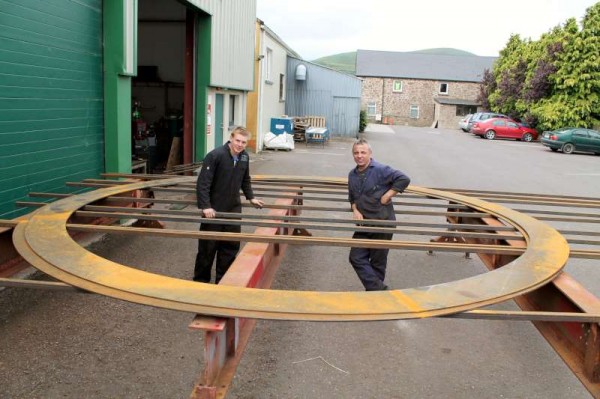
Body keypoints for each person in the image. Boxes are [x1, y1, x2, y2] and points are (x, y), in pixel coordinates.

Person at [194, 126, 264, 284]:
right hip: (214, 209)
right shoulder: (215, 156)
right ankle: (200, 283)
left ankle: (223, 282)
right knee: (207, 248)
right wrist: (205, 206)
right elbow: (203, 183)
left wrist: (251, 197)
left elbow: (245, 179)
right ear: (231, 138)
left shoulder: (244, 157)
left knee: (229, 248)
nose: (240, 145)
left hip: (233, 209)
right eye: (238, 140)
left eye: (244, 142)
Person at [347, 138, 410, 291]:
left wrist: (388, 195)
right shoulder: (352, 175)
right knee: (355, 257)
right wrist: (355, 209)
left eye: (363, 152)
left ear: (370, 153)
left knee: (377, 262)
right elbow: (352, 197)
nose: (359, 156)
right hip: (365, 225)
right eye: (356, 153)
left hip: (383, 224)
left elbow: (403, 179)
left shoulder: (381, 170)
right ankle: (379, 290)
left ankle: (374, 295)